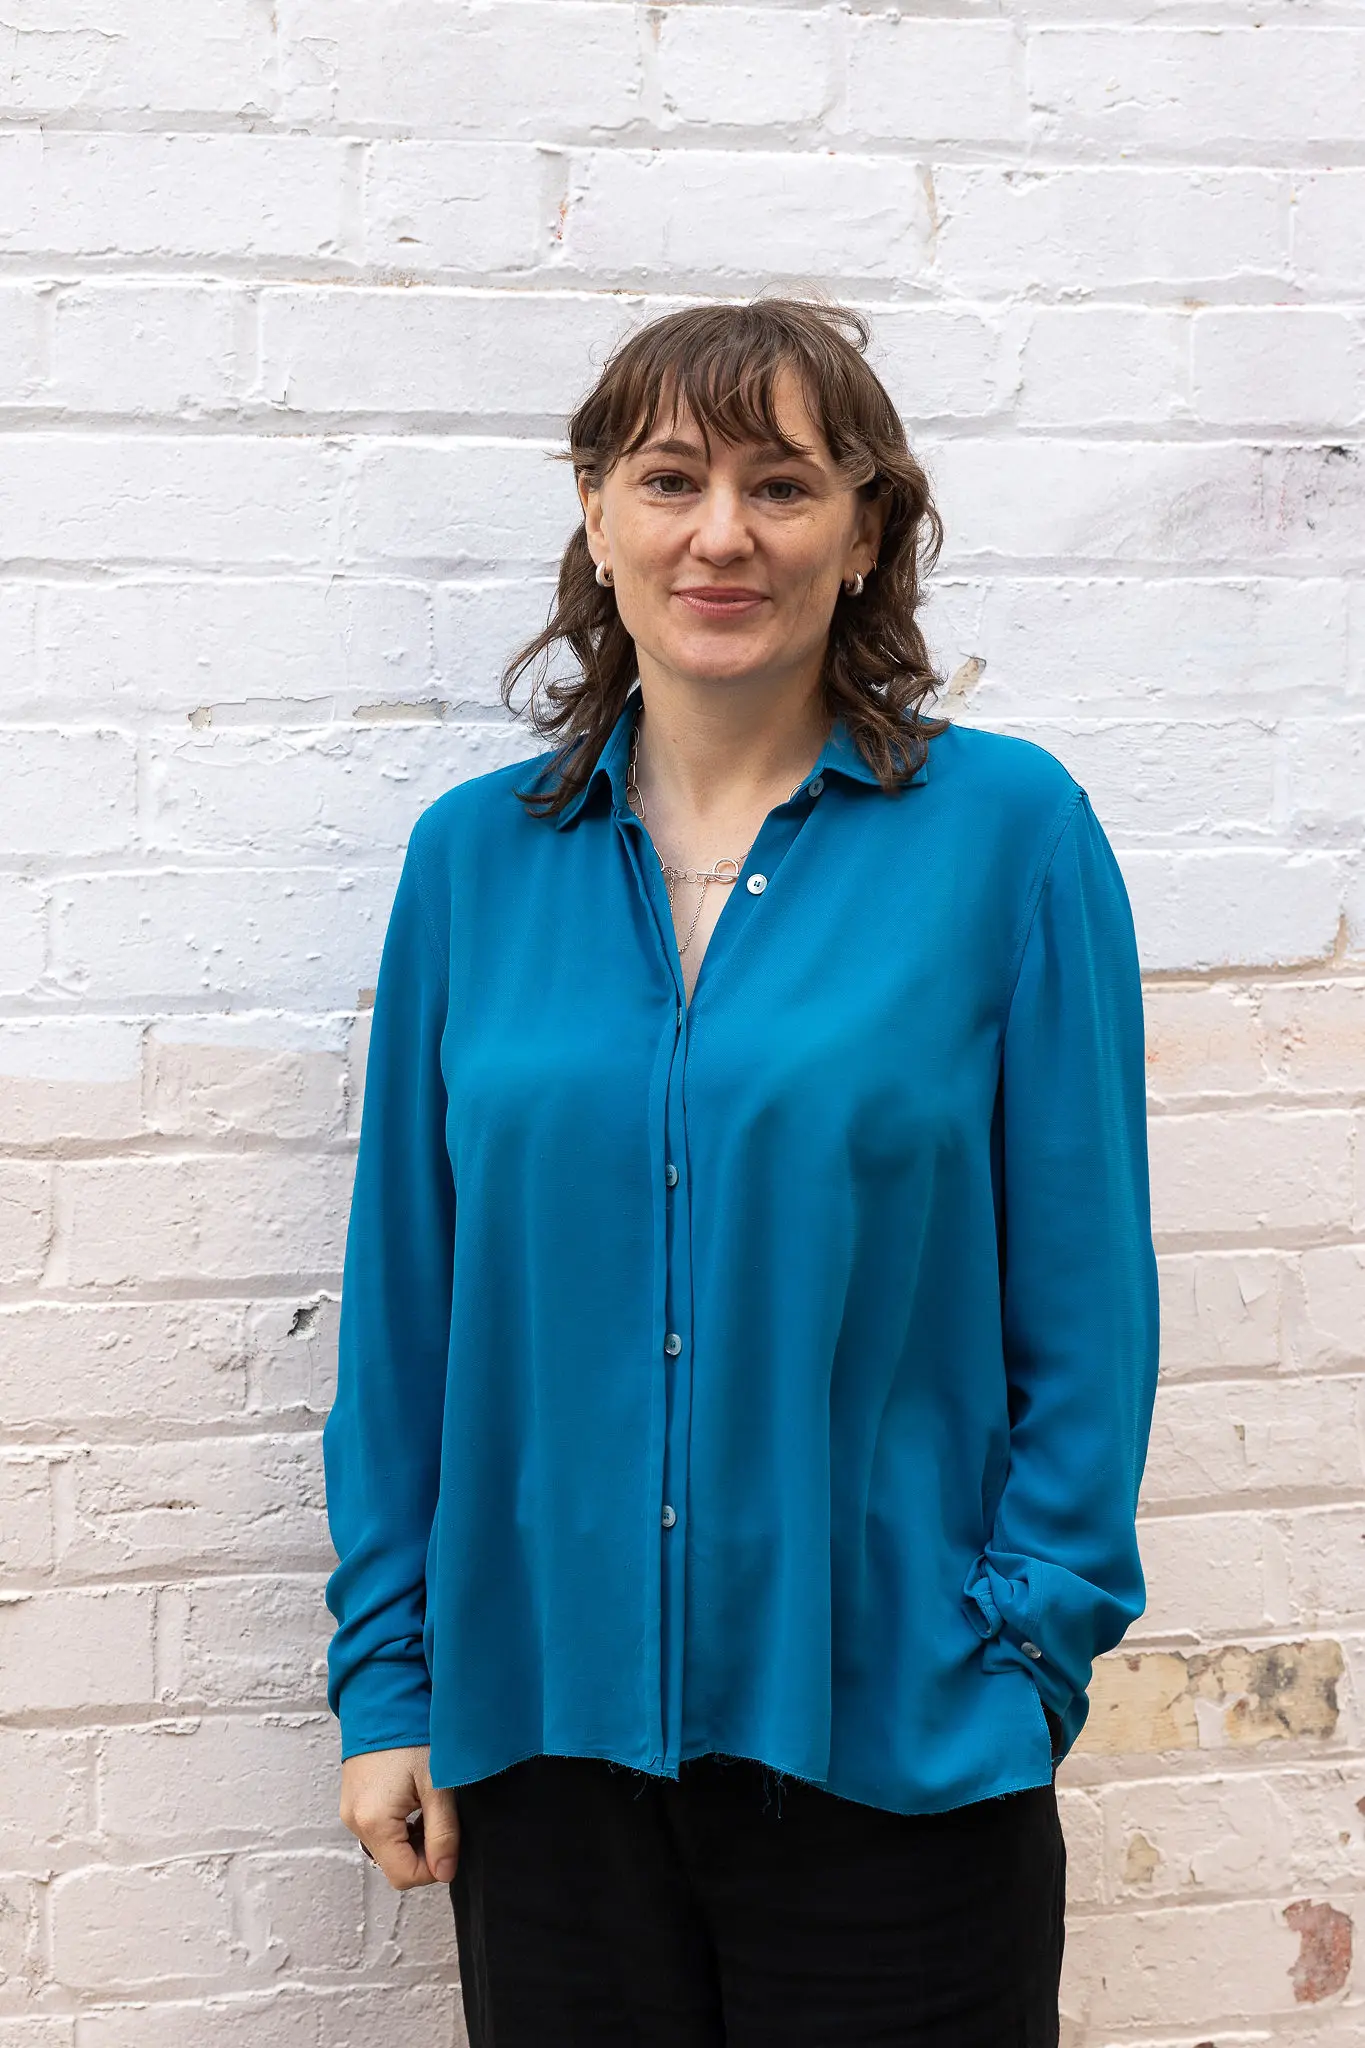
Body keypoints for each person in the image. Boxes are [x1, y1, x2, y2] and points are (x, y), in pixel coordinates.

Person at [322, 294, 1160, 2046]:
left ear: (865, 533)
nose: (723, 534)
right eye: (671, 477)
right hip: (542, 1743)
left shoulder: (1011, 839)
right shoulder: (473, 864)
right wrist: (390, 1680)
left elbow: (1085, 1303)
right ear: (597, 515)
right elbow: (407, 1316)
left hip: (899, 1746)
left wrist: (1022, 1655)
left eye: (784, 485)